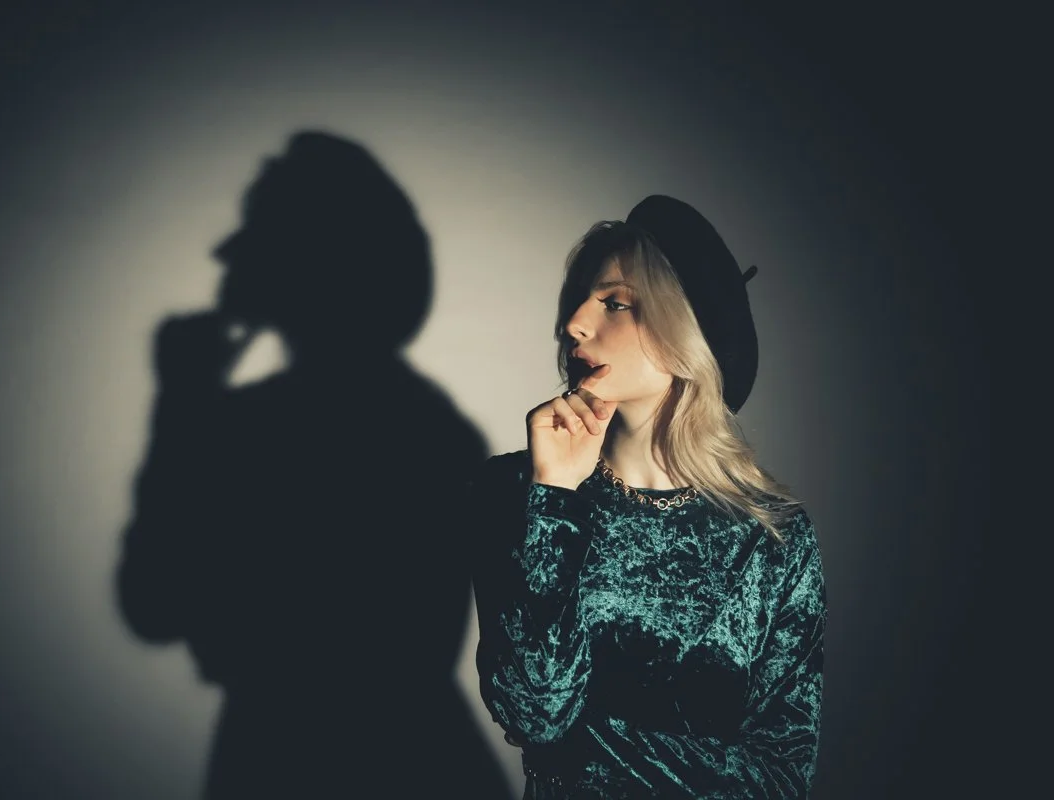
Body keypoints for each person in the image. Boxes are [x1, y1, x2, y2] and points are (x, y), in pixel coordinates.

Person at [115, 131, 511, 799]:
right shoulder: (436, 431)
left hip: (293, 761)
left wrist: (180, 410)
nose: (225, 250)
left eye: (257, 227)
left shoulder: (257, 427)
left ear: (310, 257)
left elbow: (153, 603)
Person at [468, 195, 827, 799]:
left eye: (615, 303)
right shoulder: (515, 492)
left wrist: (585, 749)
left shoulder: (774, 538)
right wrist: (555, 495)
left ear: (686, 332)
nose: (575, 323)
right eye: (582, 299)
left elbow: (782, 776)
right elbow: (536, 714)